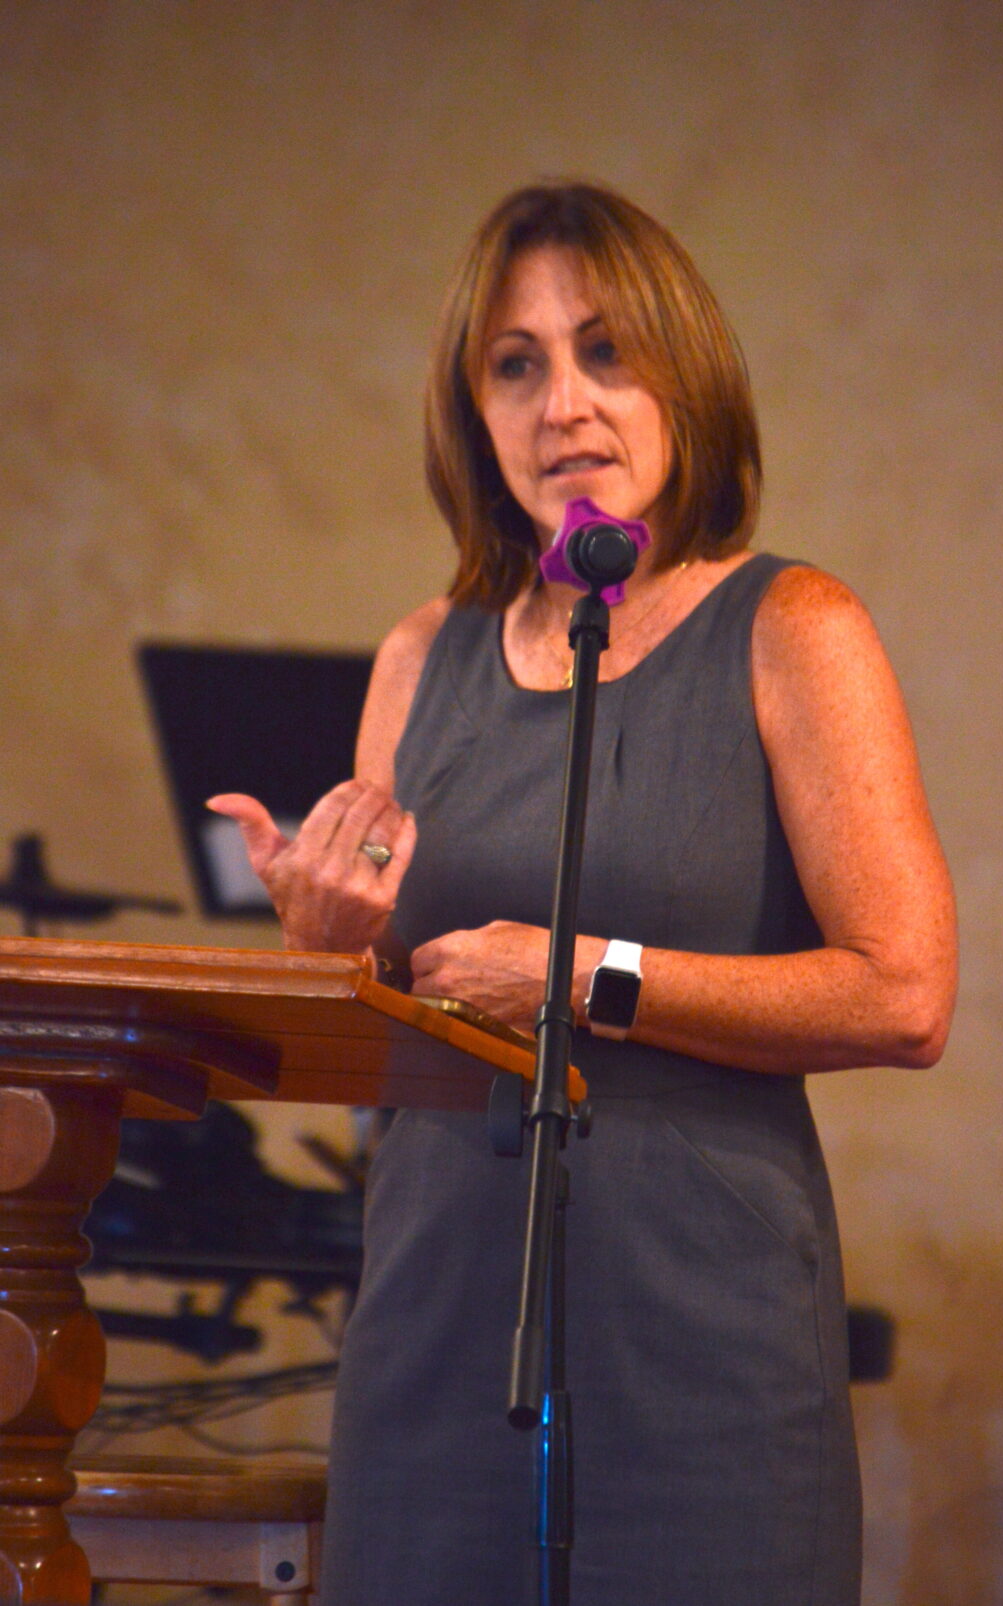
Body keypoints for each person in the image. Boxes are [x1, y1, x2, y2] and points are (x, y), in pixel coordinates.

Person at [209, 180, 957, 1606]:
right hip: (435, 1343)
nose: (564, 403)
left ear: (687, 375)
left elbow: (905, 994)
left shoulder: (794, 628)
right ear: (472, 414)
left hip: (704, 1361)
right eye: (517, 364)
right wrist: (327, 948)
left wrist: (579, 974)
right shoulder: (420, 655)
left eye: (606, 350)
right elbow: (377, 1026)